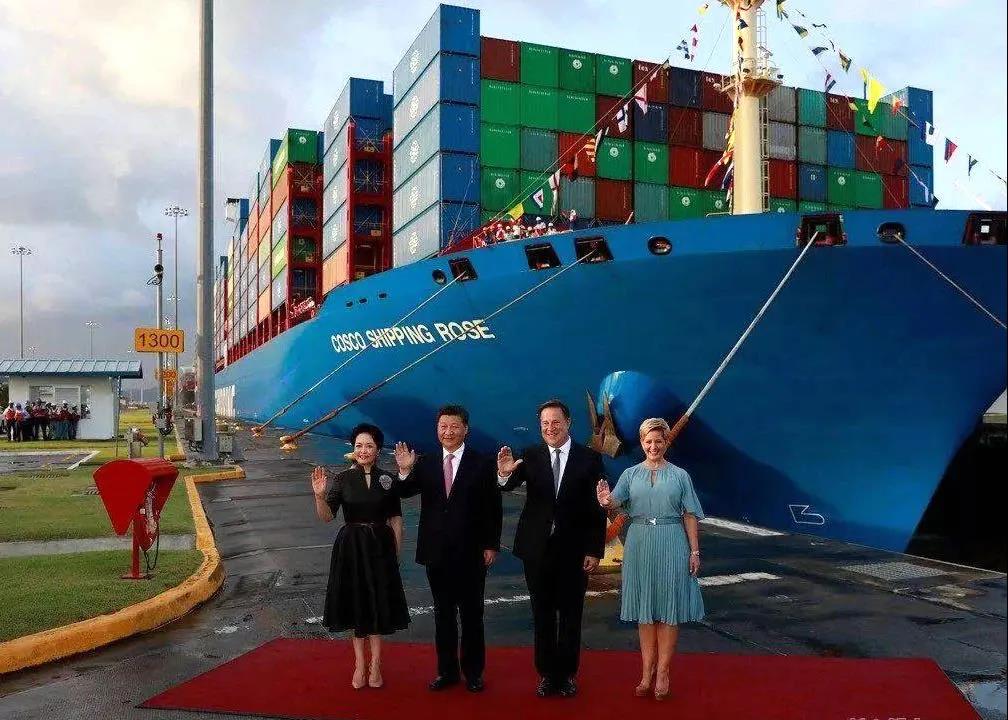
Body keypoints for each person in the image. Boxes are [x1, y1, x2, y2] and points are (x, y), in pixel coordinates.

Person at [497, 399, 607, 698]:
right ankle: (546, 674)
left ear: (568, 422)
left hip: (574, 550)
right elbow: (507, 484)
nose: (550, 428)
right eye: (545, 423)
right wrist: (504, 473)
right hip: (537, 549)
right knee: (542, 613)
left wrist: (594, 549)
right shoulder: (530, 455)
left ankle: (567, 674)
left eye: (555, 422)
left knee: (571, 615)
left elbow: (597, 508)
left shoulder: (589, 459)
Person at [393, 405, 502, 693]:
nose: (448, 432)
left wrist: (491, 544)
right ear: (437, 429)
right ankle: (447, 671)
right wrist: (404, 470)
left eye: (454, 427)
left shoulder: (482, 463)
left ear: (465, 429)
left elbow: (493, 507)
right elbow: (404, 491)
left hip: (472, 550)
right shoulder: (426, 462)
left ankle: (474, 673)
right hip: (436, 551)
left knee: (472, 615)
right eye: (443, 426)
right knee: (443, 614)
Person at [597, 417, 705, 701]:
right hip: (639, 542)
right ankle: (646, 672)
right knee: (645, 610)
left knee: (668, 609)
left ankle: (663, 673)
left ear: (666, 442)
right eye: (648, 441)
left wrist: (694, 551)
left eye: (659, 441)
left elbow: (689, 515)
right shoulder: (630, 474)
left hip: (672, 541)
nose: (653, 446)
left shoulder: (681, 476)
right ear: (642, 443)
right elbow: (614, 502)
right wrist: (605, 500)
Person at [310, 423, 410, 690]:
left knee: (377, 604)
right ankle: (359, 664)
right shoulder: (342, 479)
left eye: (369, 446)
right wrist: (319, 496)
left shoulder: (387, 479)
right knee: (356, 605)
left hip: (380, 547)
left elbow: (396, 519)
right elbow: (327, 516)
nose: (363, 450)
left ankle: (375, 663)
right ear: (353, 450)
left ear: (377, 450)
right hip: (352, 547)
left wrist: (396, 553)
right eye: (359, 446)